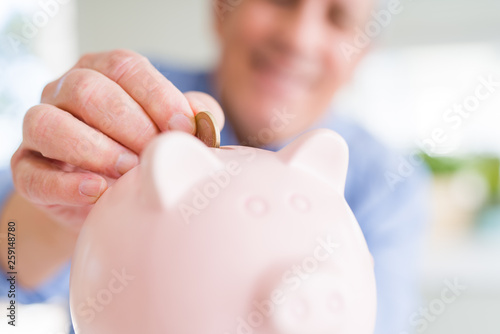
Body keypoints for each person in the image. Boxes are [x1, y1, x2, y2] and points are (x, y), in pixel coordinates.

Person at [0, 0, 429, 333]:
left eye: (338, 17)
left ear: (362, 54)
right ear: (223, 10)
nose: (300, 37)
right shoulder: (131, 107)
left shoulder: (386, 183)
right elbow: (9, 287)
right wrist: (64, 215)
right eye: (280, 0)